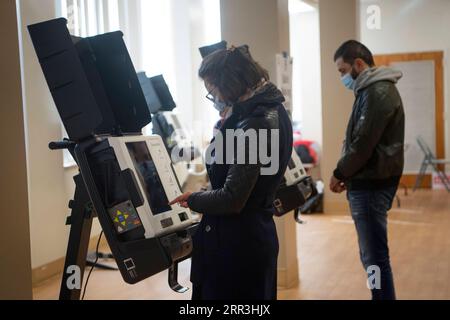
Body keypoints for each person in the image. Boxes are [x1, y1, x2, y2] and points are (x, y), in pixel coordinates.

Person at [169, 47, 293, 300]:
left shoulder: (256, 124)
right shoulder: (271, 110)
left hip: (237, 247)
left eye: (212, 90)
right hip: (249, 238)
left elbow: (233, 197)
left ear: (230, 84)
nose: (213, 98)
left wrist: (192, 199)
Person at [330, 40, 405, 300]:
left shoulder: (377, 92)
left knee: (374, 258)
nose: (342, 77)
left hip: (372, 184)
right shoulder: (368, 90)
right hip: (368, 181)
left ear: (358, 64)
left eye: (342, 71)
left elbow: (362, 145)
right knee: (371, 256)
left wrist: (339, 173)